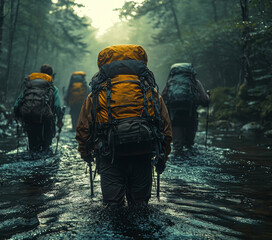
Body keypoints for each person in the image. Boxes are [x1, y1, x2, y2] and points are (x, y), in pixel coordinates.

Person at [76, 45, 172, 207]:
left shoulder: (96, 94)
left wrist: (85, 153)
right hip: (143, 154)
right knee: (140, 206)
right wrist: (162, 158)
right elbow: (166, 130)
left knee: (112, 207)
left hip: (109, 155)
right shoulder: (150, 92)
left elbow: (83, 128)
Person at [14, 64, 63, 153]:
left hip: (29, 119)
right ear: (51, 75)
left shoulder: (29, 87)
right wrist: (59, 120)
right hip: (46, 121)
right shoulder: (53, 88)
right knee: (45, 148)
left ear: (40, 73)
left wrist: (19, 117)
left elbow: (16, 104)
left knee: (33, 148)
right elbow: (57, 106)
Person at [161, 63, 209, 151]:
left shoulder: (170, 83)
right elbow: (205, 101)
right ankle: (191, 162)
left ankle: (178, 161)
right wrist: (208, 97)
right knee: (189, 145)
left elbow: (162, 100)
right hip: (191, 116)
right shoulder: (195, 82)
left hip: (175, 117)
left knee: (177, 145)